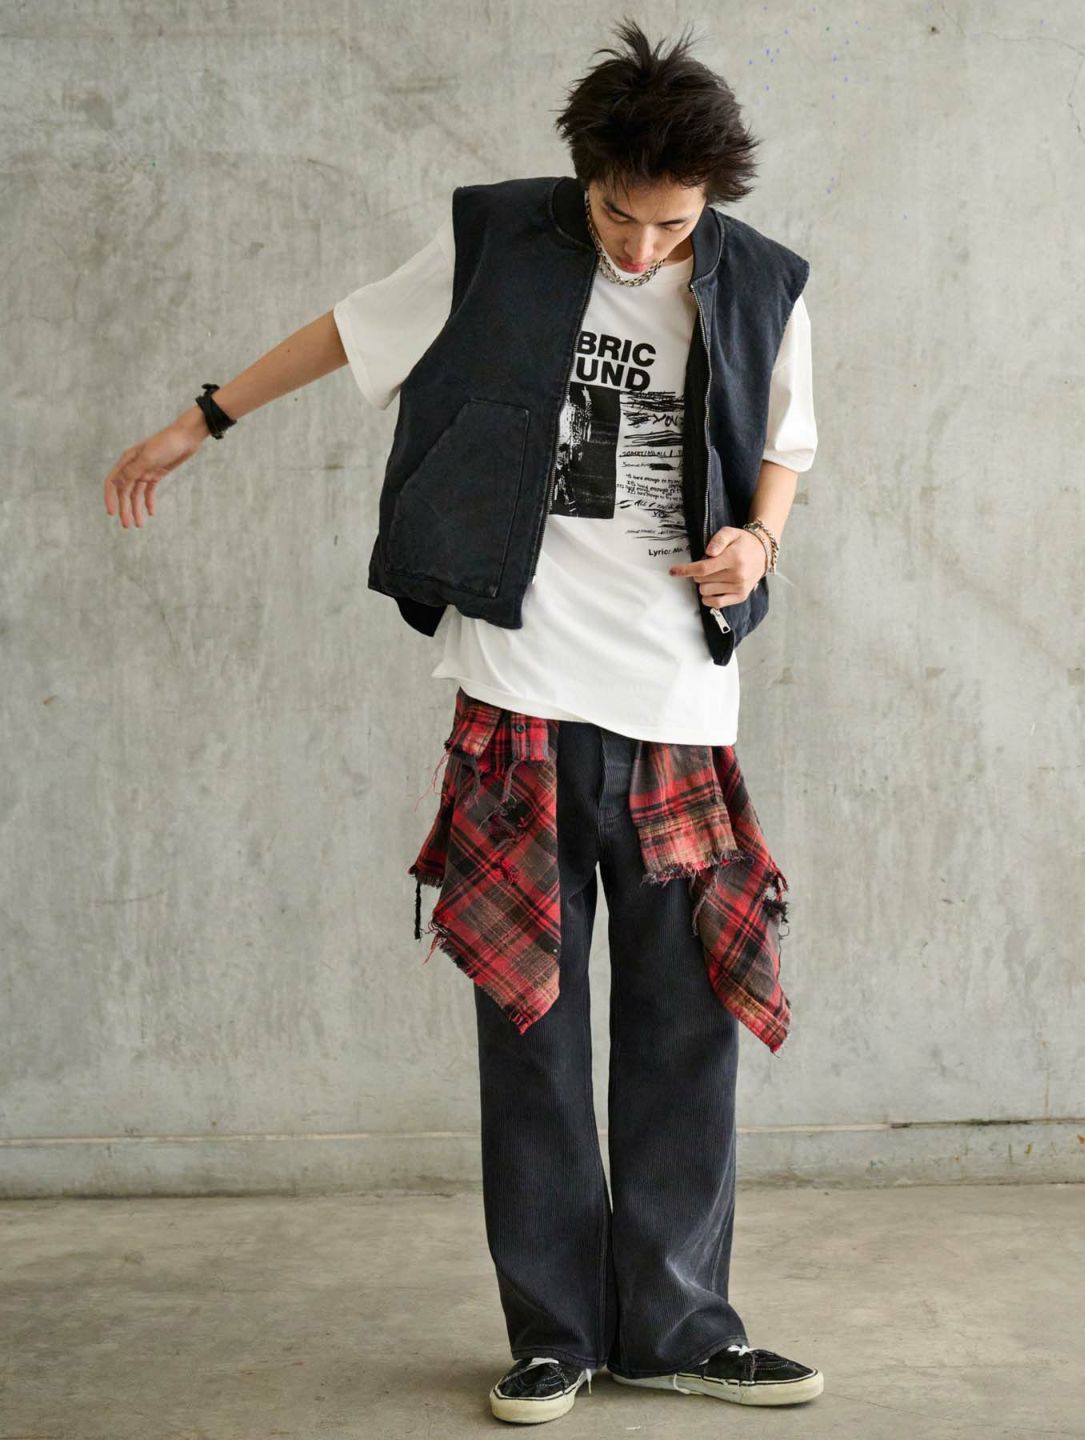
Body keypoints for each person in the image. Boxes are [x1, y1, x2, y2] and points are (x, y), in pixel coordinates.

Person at [102, 16, 822, 1426]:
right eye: (617, 215)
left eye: (670, 225)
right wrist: (202, 420)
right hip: (521, 695)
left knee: (685, 1029)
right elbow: (351, 329)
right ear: (585, 178)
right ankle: (554, 1332)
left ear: (712, 202)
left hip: (679, 703)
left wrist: (759, 546)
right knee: (530, 1023)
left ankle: (680, 1327)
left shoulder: (766, 284)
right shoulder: (498, 238)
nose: (639, 249)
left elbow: (786, 448)